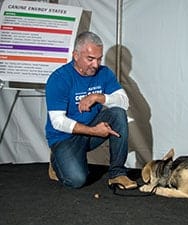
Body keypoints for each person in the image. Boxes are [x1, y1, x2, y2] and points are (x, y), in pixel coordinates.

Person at [45, 31, 137, 189]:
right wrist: (94, 131)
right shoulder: (59, 78)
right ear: (75, 55)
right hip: (64, 138)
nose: (95, 64)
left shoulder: (104, 73)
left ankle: (117, 174)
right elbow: (58, 122)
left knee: (118, 113)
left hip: (90, 132)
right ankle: (56, 161)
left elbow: (124, 102)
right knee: (77, 180)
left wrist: (98, 97)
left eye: (99, 58)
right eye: (90, 59)